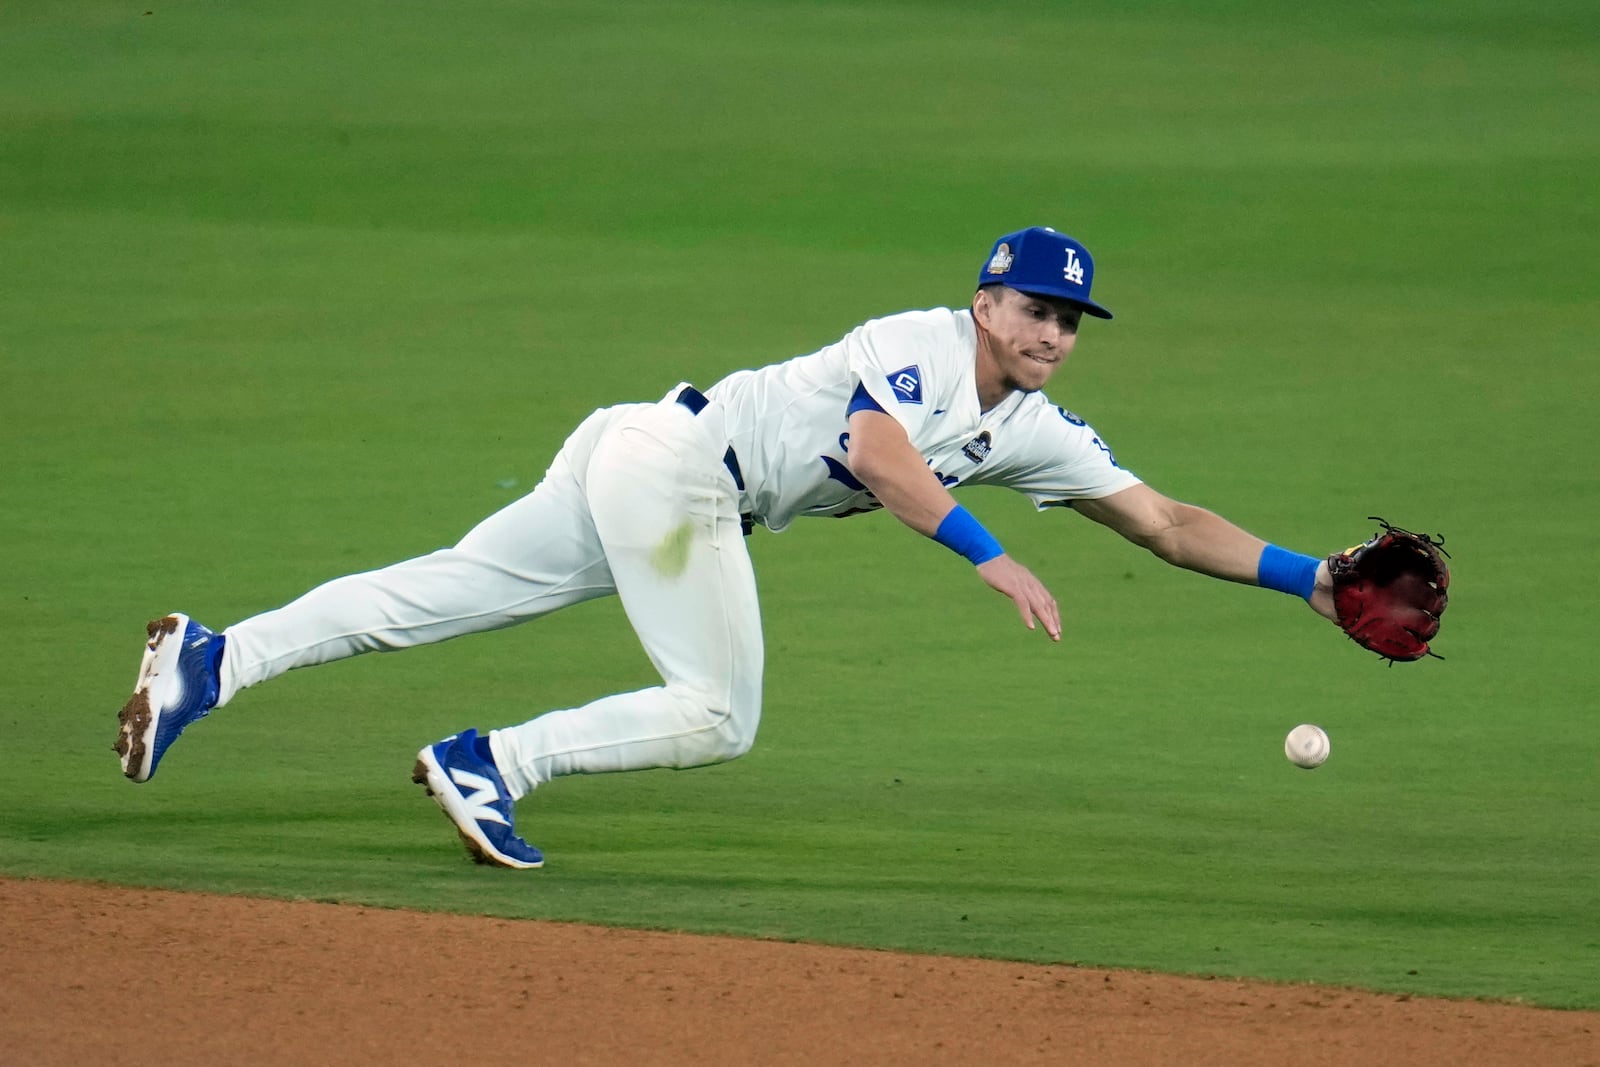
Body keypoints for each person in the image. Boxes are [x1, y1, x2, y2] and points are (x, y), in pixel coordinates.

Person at [115, 226, 1339, 869]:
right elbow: (877, 453)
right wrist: (988, 554)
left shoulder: (1038, 430)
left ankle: (216, 659)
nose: (1053, 335)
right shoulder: (916, 341)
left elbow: (1167, 522)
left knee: (442, 590)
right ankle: (491, 759)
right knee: (717, 712)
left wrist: (1315, 581)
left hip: (648, 456)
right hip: (676, 470)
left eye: (1070, 320)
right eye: (1034, 310)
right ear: (985, 301)